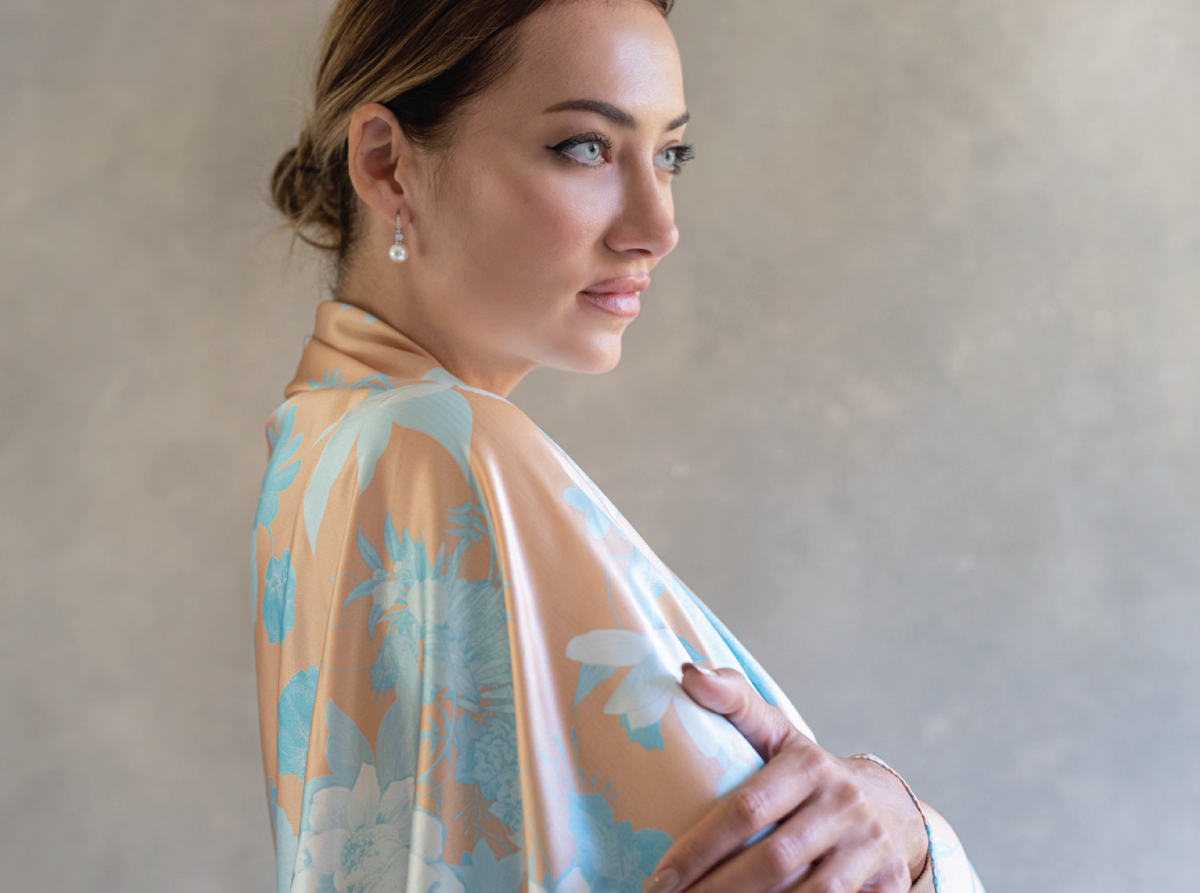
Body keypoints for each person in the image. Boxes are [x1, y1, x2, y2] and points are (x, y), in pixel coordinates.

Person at [252, 1, 987, 891]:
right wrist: (914, 831)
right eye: (586, 148)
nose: (657, 224)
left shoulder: (321, 432)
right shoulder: (448, 451)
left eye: (668, 153)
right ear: (387, 165)